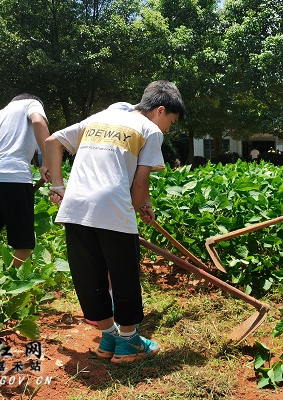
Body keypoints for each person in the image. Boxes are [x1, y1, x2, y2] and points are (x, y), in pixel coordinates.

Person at [44, 80, 186, 363]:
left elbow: (52, 142)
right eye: (171, 121)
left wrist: (58, 187)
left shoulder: (101, 117)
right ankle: (130, 342)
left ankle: (108, 336)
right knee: (124, 276)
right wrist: (138, 208)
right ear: (160, 111)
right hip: (113, 207)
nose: (169, 128)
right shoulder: (150, 130)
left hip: (76, 206)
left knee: (89, 276)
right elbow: (141, 181)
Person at [0, 94, 50, 266]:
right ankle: (15, 285)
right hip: (13, 174)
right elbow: (38, 122)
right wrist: (48, 160)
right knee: (22, 241)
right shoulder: (31, 103)